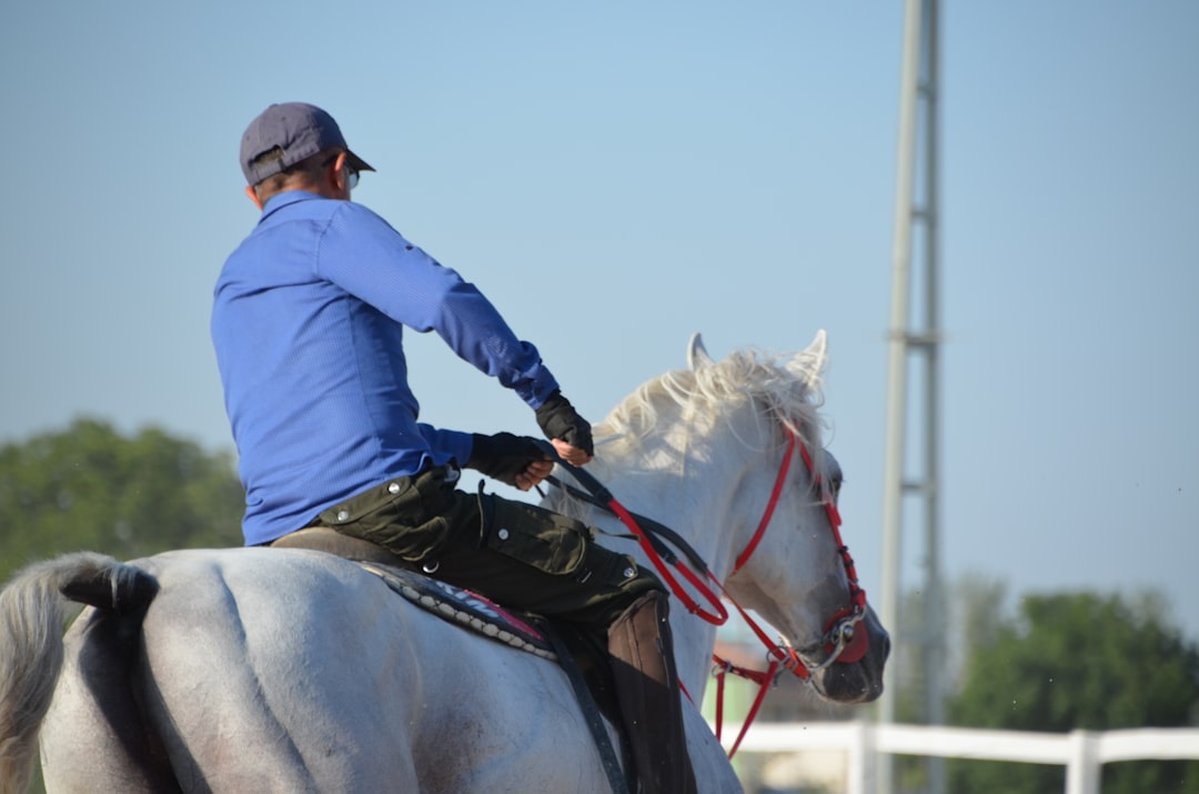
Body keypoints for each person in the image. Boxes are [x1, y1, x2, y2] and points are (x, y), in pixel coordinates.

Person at [212, 102, 696, 794]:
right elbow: (442, 299)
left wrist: (478, 450)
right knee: (630, 593)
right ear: (339, 169)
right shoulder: (332, 223)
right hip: (386, 515)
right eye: (351, 178)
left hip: (276, 536)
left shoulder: (234, 279)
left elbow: (338, 434)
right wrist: (543, 395)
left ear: (251, 194)